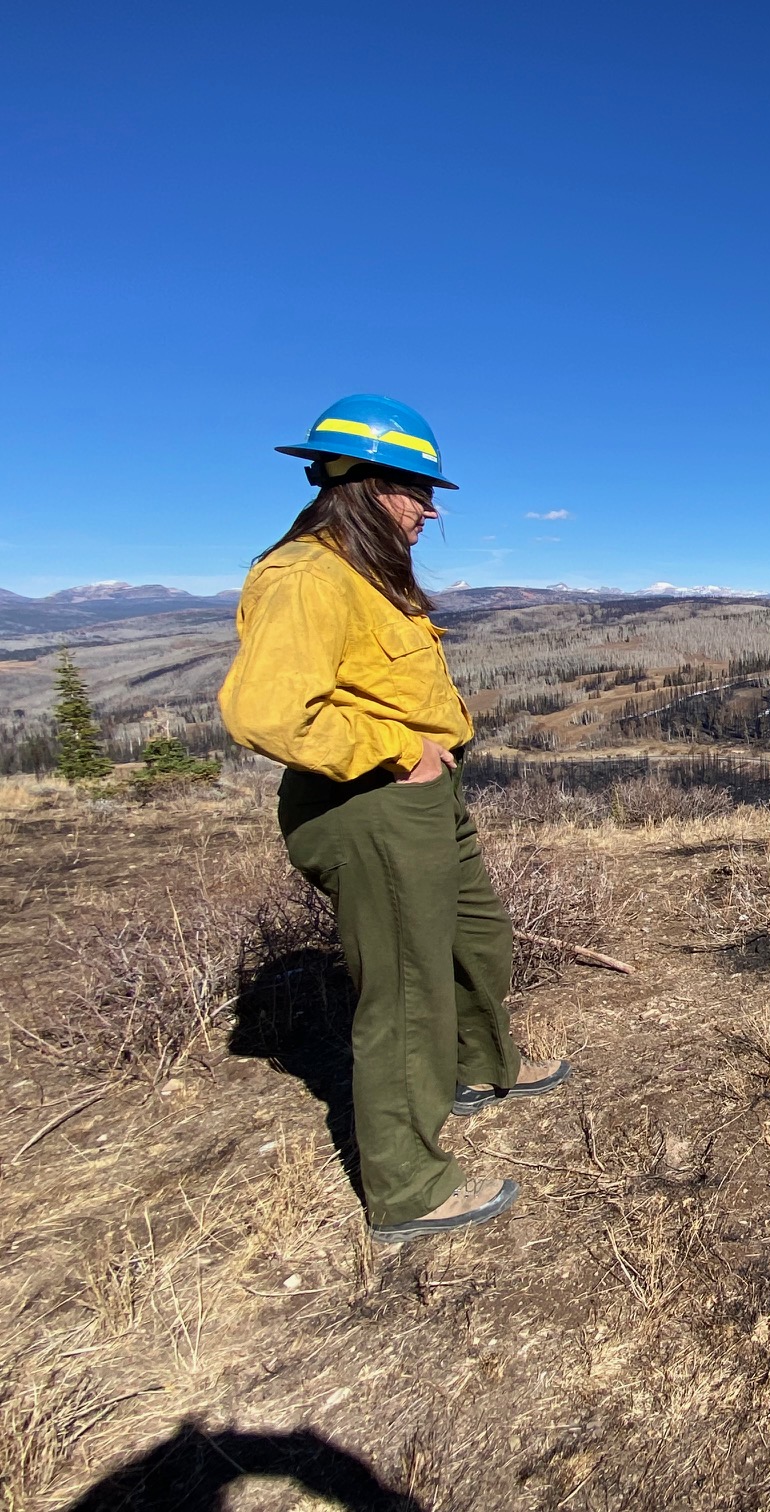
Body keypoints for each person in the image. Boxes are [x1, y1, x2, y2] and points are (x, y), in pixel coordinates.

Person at [220, 394, 571, 1244]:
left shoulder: (364, 571)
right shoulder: (305, 574)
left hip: (420, 794)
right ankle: (408, 1184)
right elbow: (265, 713)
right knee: (407, 988)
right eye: (415, 488)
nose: (429, 507)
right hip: (368, 802)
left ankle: (483, 1065)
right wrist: (395, 748)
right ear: (362, 482)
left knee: (475, 934)